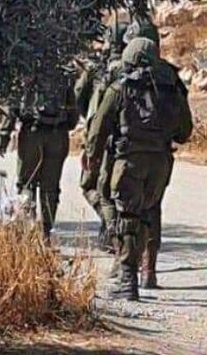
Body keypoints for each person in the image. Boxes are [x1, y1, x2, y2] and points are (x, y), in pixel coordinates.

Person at [85, 37, 193, 301]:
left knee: (127, 218)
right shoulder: (172, 87)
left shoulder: (121, 87)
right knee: (146, 215)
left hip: (129, 161)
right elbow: (184, 132)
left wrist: (92, 160)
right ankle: (144, 272)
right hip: (161, 163)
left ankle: (127, 280)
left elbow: (98, 130)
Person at [122, 18, 189, 289]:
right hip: (161, 157)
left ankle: (126, 271)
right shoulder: (171, 78)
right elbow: (184, 130)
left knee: (127, 211)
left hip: (128, 155)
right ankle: (149, 270)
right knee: (152, 209)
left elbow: (102, 118)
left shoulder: (122, 77)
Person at [0, 67, 79, 239]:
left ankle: (27, 232)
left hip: (31, 135)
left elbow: (13, 106)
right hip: (57, 136)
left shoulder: (24, 69)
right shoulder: (63, 75)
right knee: (50, 188)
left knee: (26, 184)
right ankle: (46, 233)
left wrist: (5, 134)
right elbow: (73, 116)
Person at [77, 21, 128, 252]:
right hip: (129, 141)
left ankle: (112, 229)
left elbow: (79, 96)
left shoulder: (99, 69)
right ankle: (113, 230)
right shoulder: (136, 68)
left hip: (102, 139)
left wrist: (90, 139)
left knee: (92, 186)